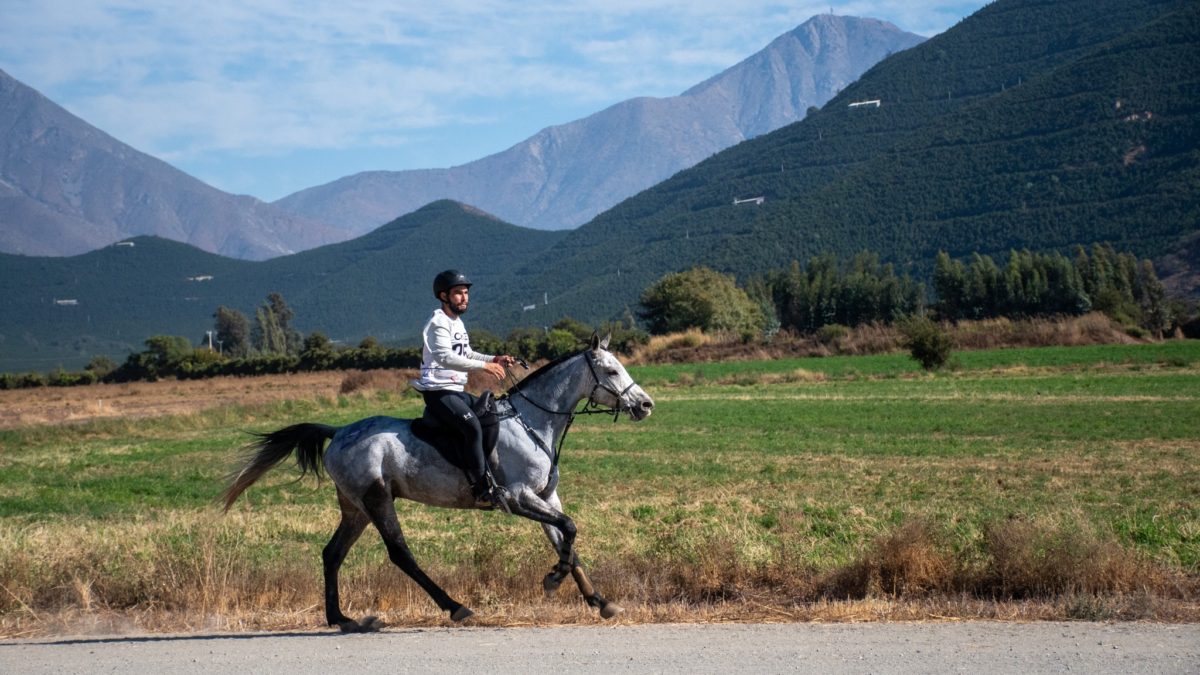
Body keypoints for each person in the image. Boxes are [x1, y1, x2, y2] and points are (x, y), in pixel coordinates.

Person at [411, 269, 517, 508]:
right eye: (458, 293)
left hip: (456, 391)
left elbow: (466, 353)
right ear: (443, 296)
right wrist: (485, 366)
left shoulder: (457, 322)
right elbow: (446, 358)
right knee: (471, 426)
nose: (464, 297)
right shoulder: (438, 322)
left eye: (466, 293)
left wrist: (494, 358)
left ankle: (484, 469)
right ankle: (480, 491)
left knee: (490, 415)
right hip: (438, 392)